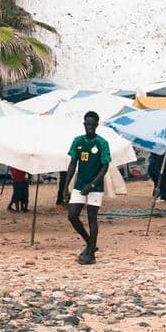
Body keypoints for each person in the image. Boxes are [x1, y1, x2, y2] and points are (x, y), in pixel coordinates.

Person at [64, 111, 110, 265]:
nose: (89, 127)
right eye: (87, 124)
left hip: (95, 186)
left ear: (97, 125)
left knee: (92, 216)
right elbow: (72, 164)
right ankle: (90, 243)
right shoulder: (78, 141)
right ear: (84, 124)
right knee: (72, 215)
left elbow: (105, 167)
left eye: (92, 124)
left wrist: (92, 185)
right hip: (79, 184)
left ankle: (90, 253)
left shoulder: (102, 143)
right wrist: (65, 186)